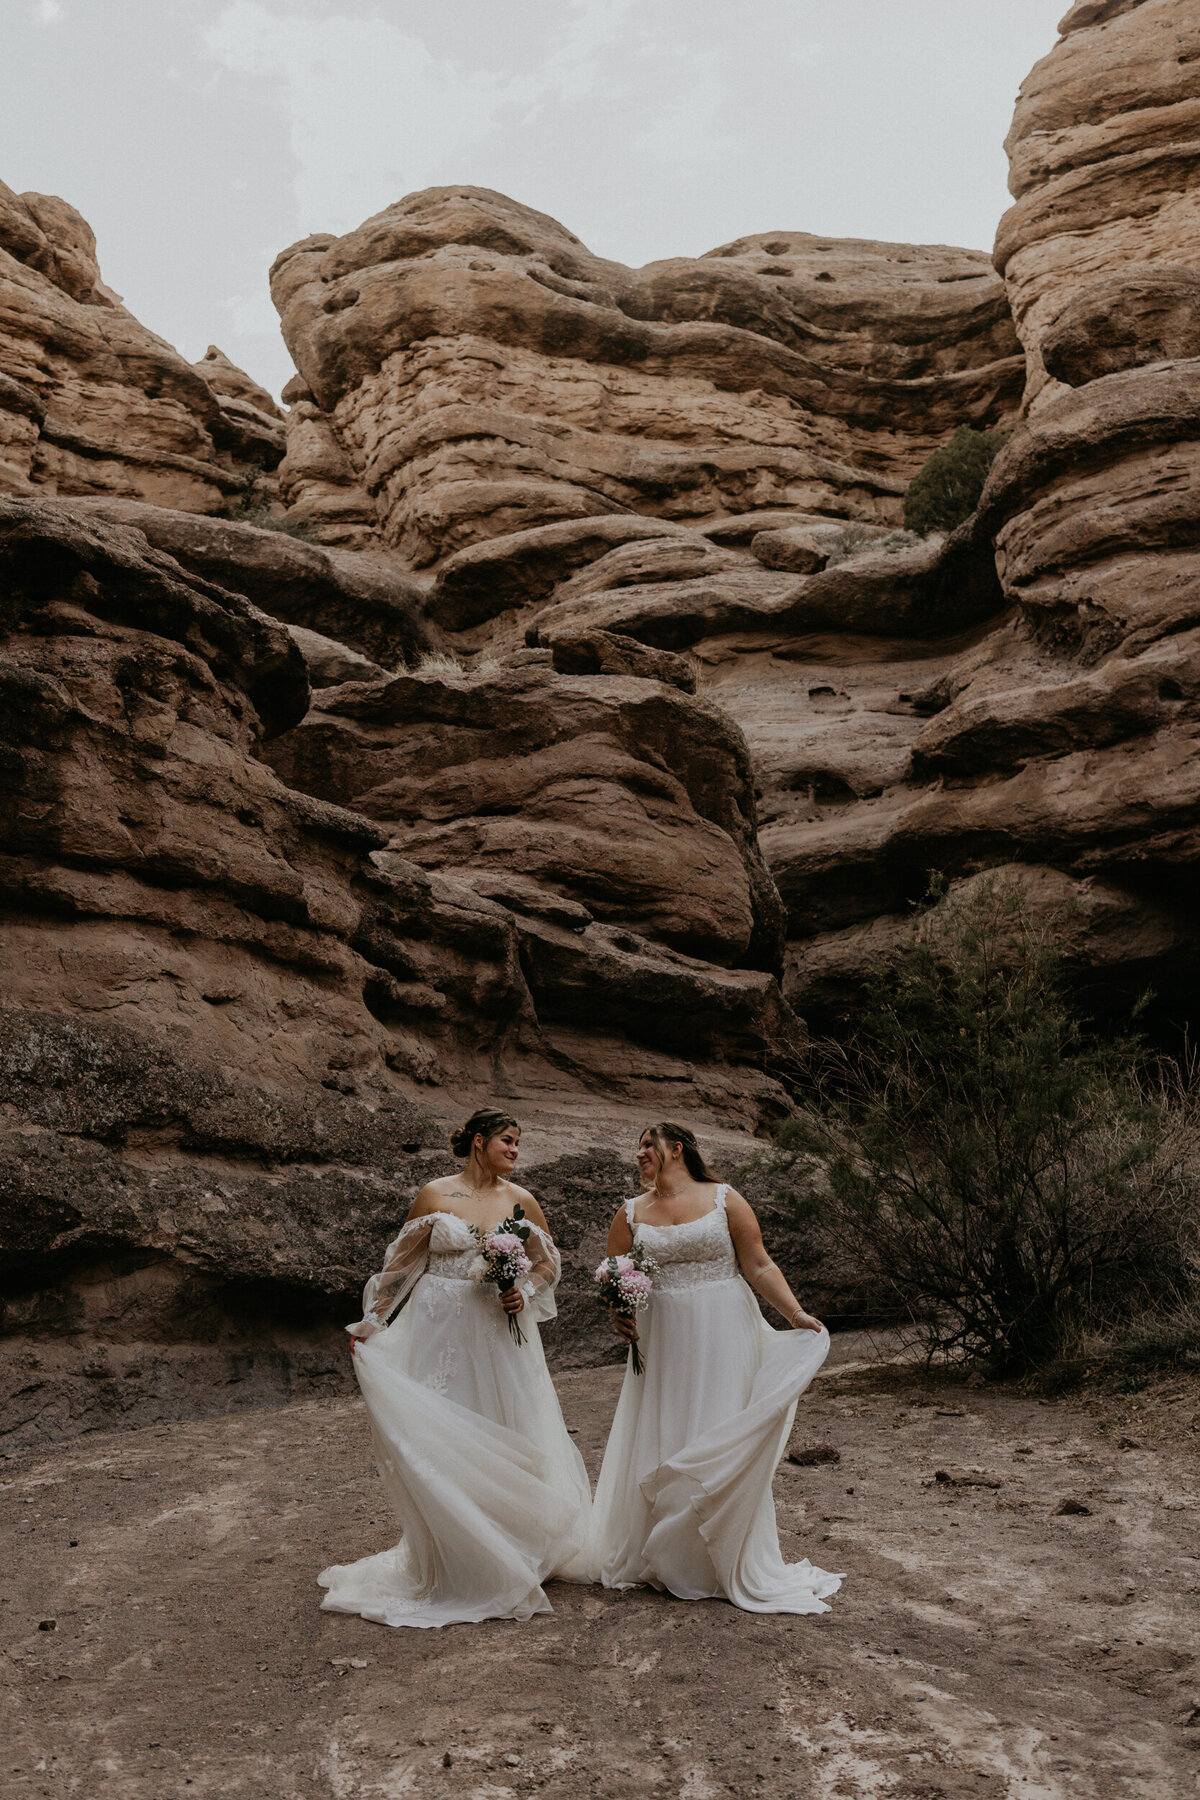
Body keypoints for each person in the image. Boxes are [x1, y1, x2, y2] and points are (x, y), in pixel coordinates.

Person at [319, 1108, 594, 1628]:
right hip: (437, 1325)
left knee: (505, 1423)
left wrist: (526, 1291)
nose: (514, 1151)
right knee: (440, 1434)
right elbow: (402, 1264)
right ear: (478, 1142)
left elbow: (547, 1261)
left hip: (496, 1329)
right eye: (507, 1141)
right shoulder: (434, 1194)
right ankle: (455, 1557)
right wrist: (371, 1324)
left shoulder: (521, 1199)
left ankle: (515, 1547)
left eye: (518, 1143)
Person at [591, 1122, 843, 1613]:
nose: (640, 1152)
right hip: (664, 1339)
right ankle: (662, 1552)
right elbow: (618, 1277)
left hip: (725, 1329)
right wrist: (619, 1313)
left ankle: (719, 1555)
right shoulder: (629, 1212)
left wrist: (794, 1314)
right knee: (667, 1428)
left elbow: (760, 1264)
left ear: (676, 1149)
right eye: (638, 1145)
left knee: (719, 1425)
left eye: (649, 1144)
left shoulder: (724, 1198)